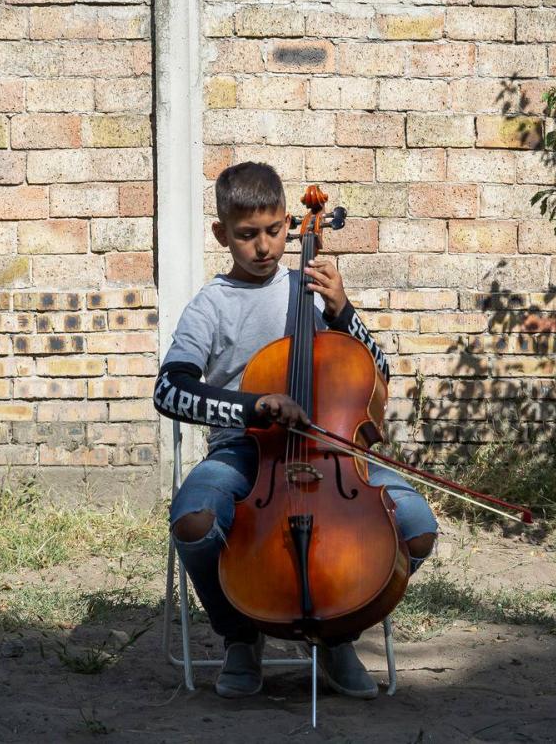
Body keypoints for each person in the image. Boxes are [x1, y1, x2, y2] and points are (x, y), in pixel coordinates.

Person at [153, 161, 437, 700]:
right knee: (193, 520)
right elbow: (169, 390)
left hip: (332, 452)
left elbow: (378, 374)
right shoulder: (211, 305)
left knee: (418, 527)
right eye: (247, 234)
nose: (263, 246)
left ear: (290, 223)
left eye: (274, 231)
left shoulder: (311, 287)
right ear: (222, 234)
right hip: (245, 451)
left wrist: (344, 311)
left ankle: (337, 632)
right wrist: (251, 406)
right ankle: (240, 636)